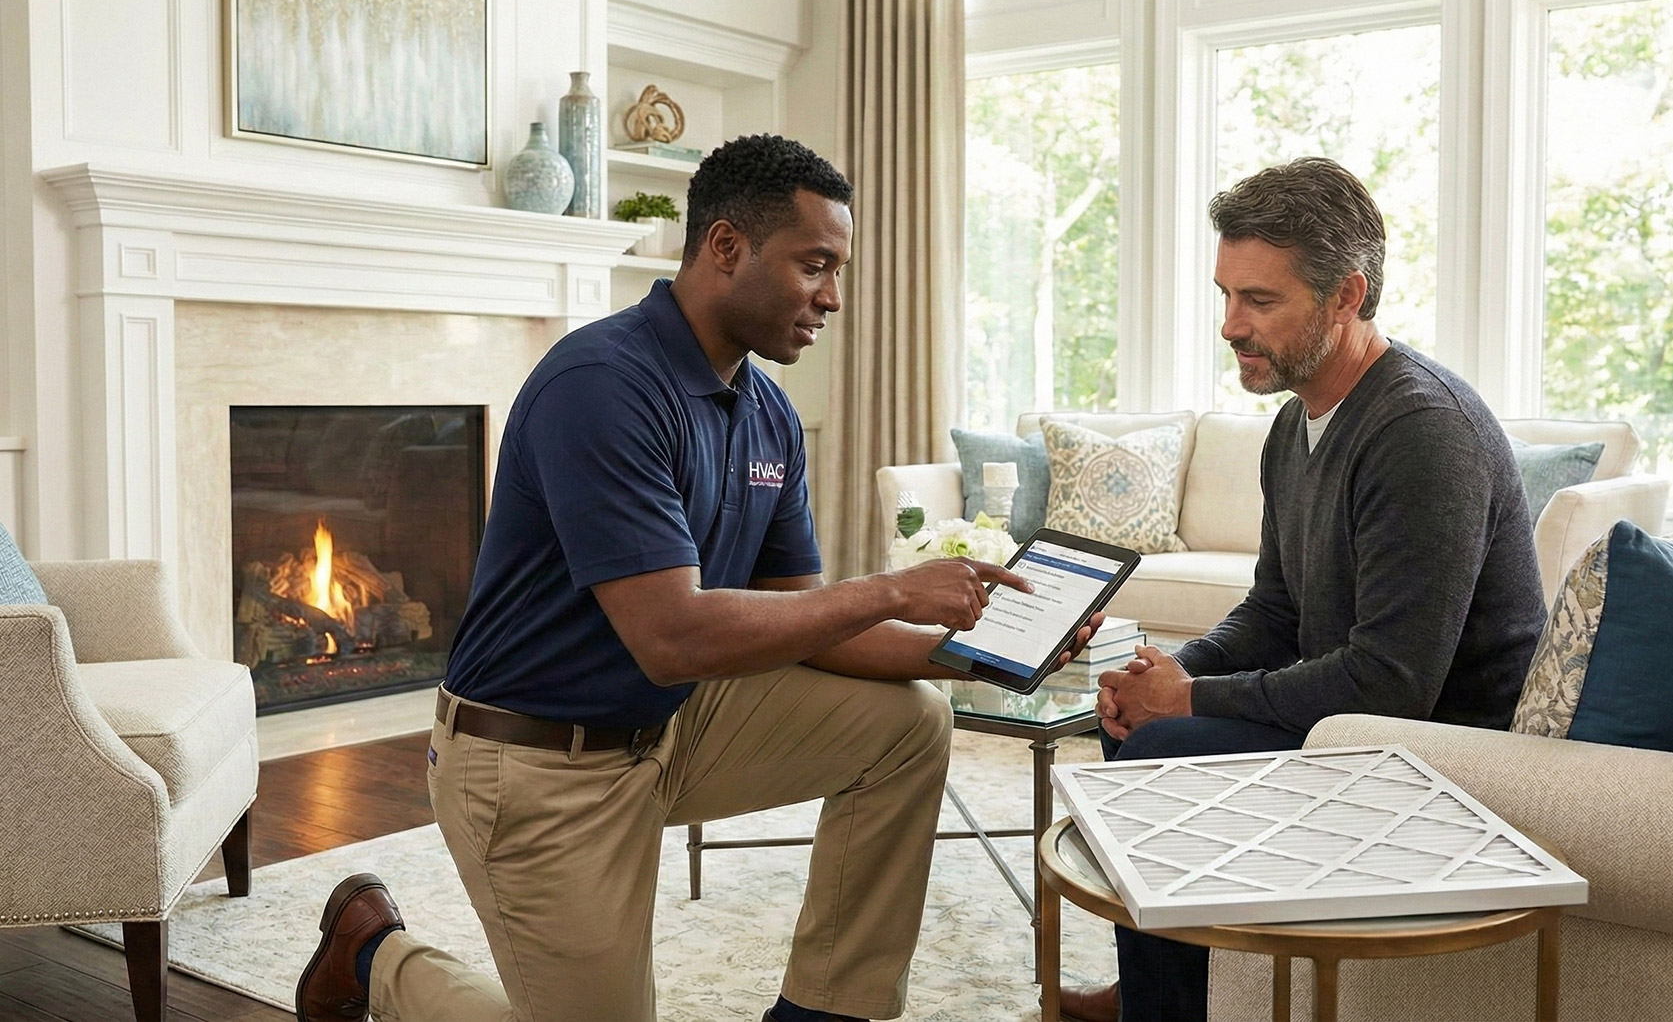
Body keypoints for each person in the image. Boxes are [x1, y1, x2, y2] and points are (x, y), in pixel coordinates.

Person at [293, 134, 1098, 1022]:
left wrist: (986, 653)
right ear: (724, 247)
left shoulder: (768, 413)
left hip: (671, 727)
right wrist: (897, 587)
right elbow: (671, 636)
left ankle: (824, 1010)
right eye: (815, 266)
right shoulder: (602, 383)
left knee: (908, 722)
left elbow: (808, 618)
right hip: (533, 763)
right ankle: (373, 953)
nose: (833, 297)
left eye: (838, 270)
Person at [1057, 157, 1548, 1022]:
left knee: (1156, 756)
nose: (1229, 325)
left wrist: (1191, 698)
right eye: (1225, 294)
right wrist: (1171, 670)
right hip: (1352, 724)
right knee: (1133, 718)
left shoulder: (1423, 433)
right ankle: (1170, 989)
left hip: (1440, 754)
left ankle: (1165, 1008)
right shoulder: (1295, 422)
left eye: (1259, 300)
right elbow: (1277, 609)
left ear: (1346, 296)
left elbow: (1395, 681)